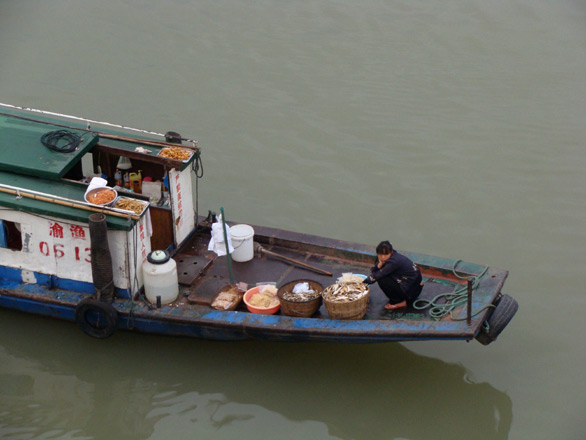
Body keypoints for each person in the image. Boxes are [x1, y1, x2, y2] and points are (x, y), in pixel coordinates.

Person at [363, 240, 423, 310]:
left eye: (386, 254)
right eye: (380, 254)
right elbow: (374, 272)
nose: (383, 257)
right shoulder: (389, 257)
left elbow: (375, 276)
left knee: (382, 279)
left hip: (413, 292)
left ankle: (399, 302)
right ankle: (401, 298)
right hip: (412, 285)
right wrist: (379, 265)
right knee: (382, 274)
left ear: (391, 252)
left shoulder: (393, 262)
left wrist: (362, 283)